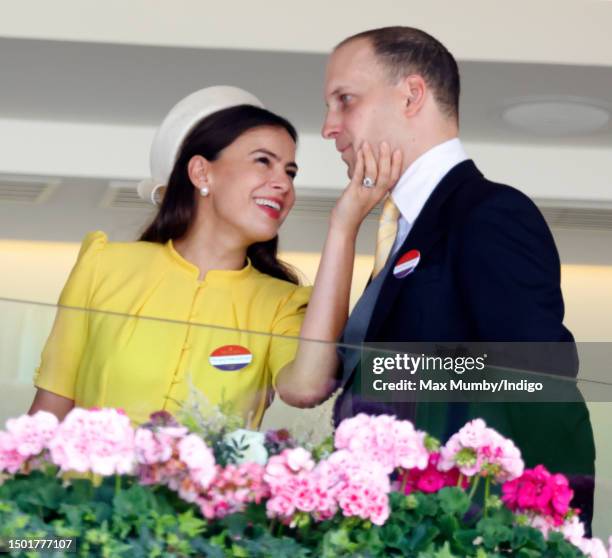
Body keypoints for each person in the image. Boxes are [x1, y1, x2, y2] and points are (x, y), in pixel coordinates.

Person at [322, 27, 595, 528]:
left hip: (469, 527)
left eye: (345, 101)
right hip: (398, 527)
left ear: (411, 95)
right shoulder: (400, 228)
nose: (329, 127)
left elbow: (542, 384)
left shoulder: (489, 213)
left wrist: (555, 534)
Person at [29, 86, 401, 429]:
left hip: (212, 503)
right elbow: (48, 414)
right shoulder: (104, 265)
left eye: (290, 171)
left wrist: (344, 226)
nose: (283, 183)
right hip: (93, 500)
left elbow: (306, 388)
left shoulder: (281, 303)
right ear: (201, 171)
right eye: (263, 162)